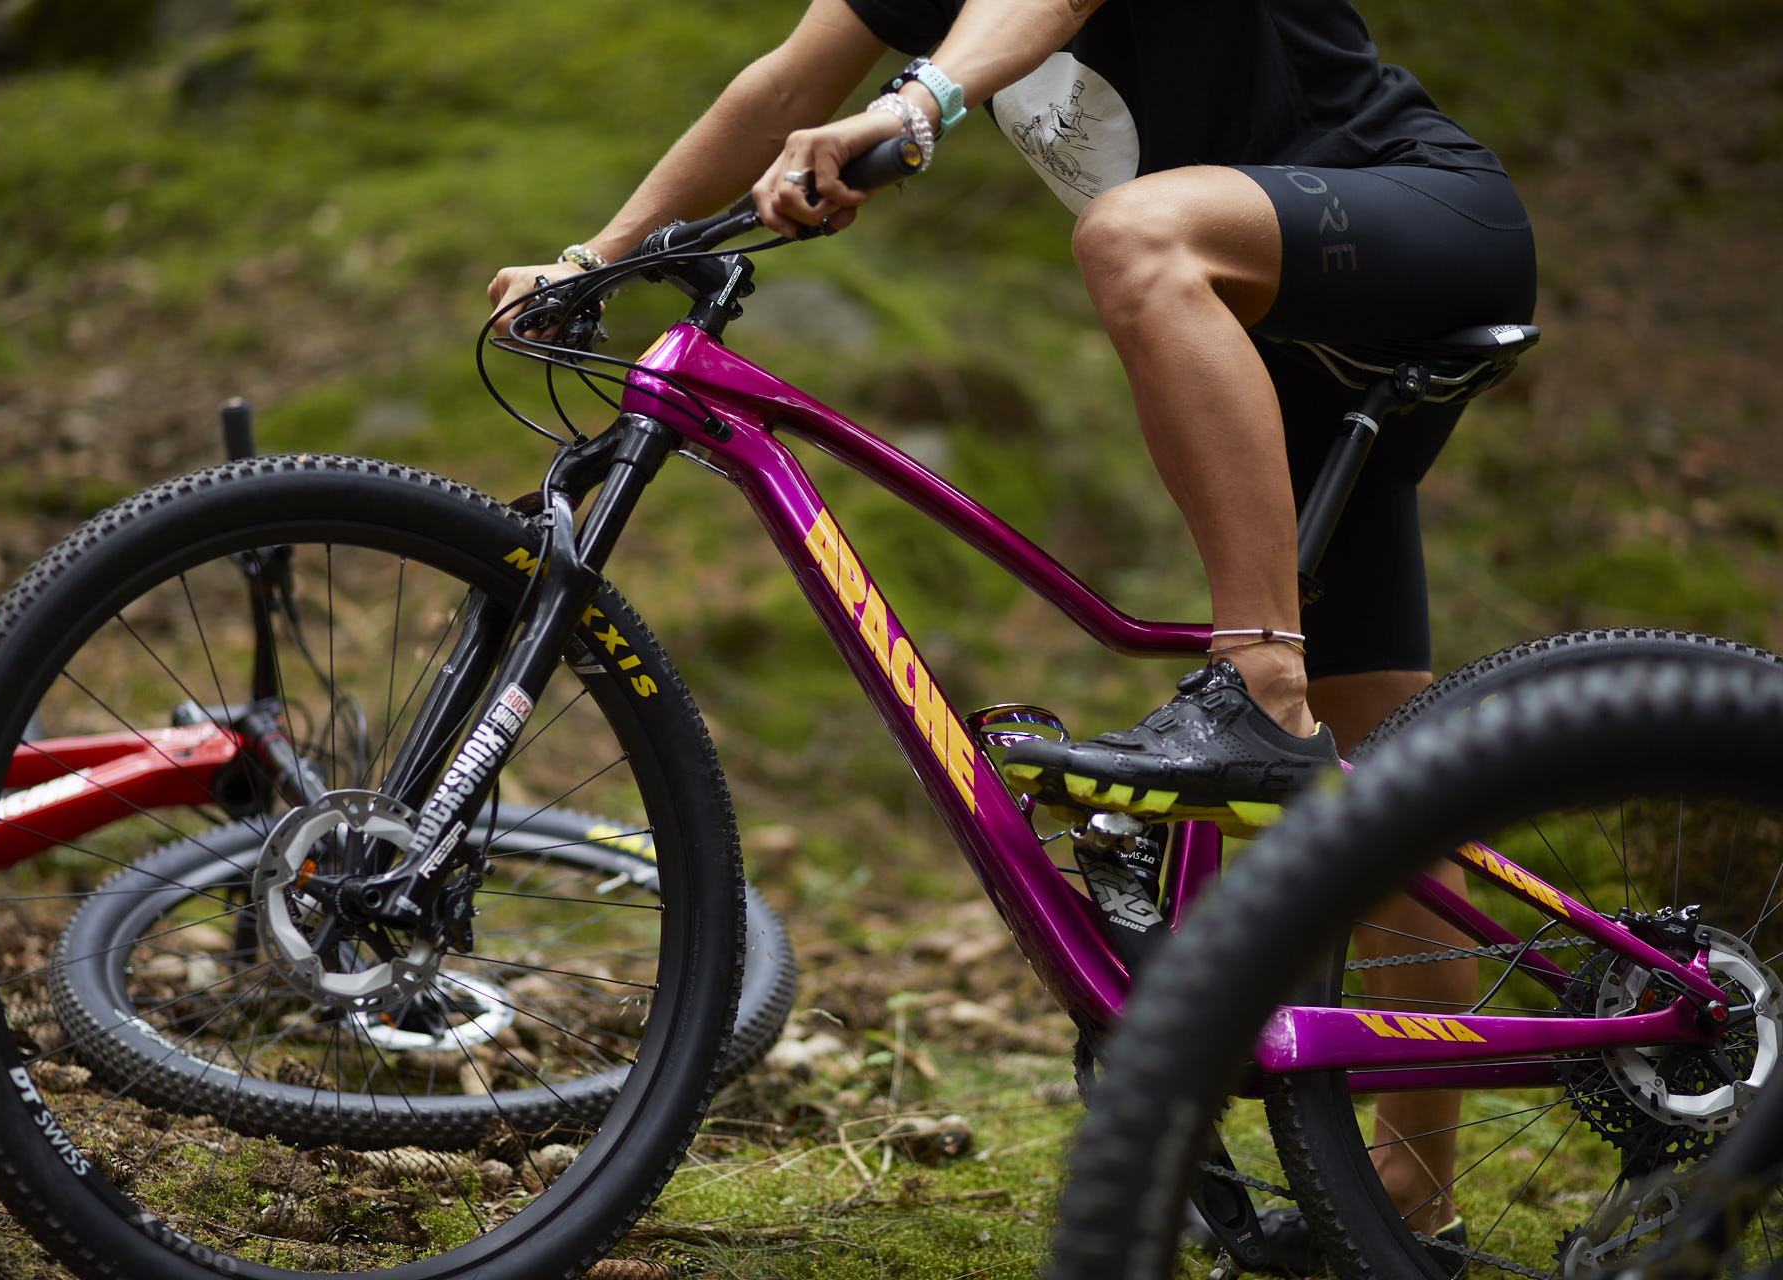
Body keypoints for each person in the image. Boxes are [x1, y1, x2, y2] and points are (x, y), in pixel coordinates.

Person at [488, 0, 1535, 1269]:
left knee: (1134, 235)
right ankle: (1415, 1207)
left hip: (1417, 217)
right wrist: (592, 256)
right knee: (1392, 787)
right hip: (1293, 364)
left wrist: (915, 106)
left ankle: (1257, 680)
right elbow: (774, 87)